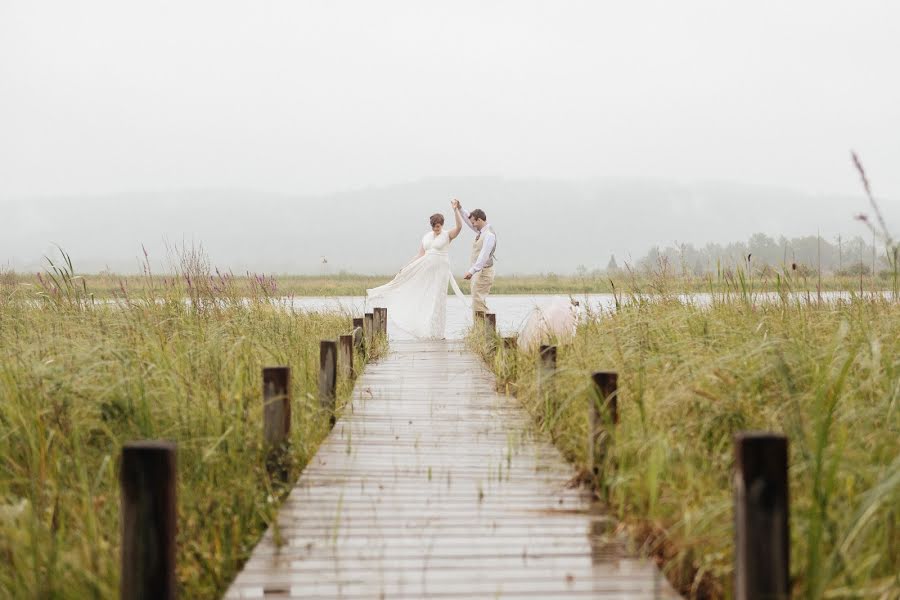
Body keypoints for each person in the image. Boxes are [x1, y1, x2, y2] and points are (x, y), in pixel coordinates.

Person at [366, 203, 468, 339]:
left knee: (437, 300)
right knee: (425, 297)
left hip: (441, 271)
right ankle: (426, 329)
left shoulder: (447, 235)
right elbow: (420, 254)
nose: (436, 228)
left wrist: (455, 210)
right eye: (434, 226)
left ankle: (437, 333)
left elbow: (460, 227)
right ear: (431, 225)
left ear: (442, 225)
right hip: (425, 268)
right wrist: (406, 266)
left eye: (438, 226)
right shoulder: (426, 237)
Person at [452, 199, 496, 317]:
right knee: (476, 300)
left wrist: (471, 271)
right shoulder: (481, 231)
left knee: (479, 301)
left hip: (484, 272)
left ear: (480, 220)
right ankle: (478, 330)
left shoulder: (489, 235)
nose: (473, 225)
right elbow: (468, 218)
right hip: (478, 272)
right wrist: (460, 208)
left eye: (474, 223)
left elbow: (483, 256)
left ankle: (482, 331)